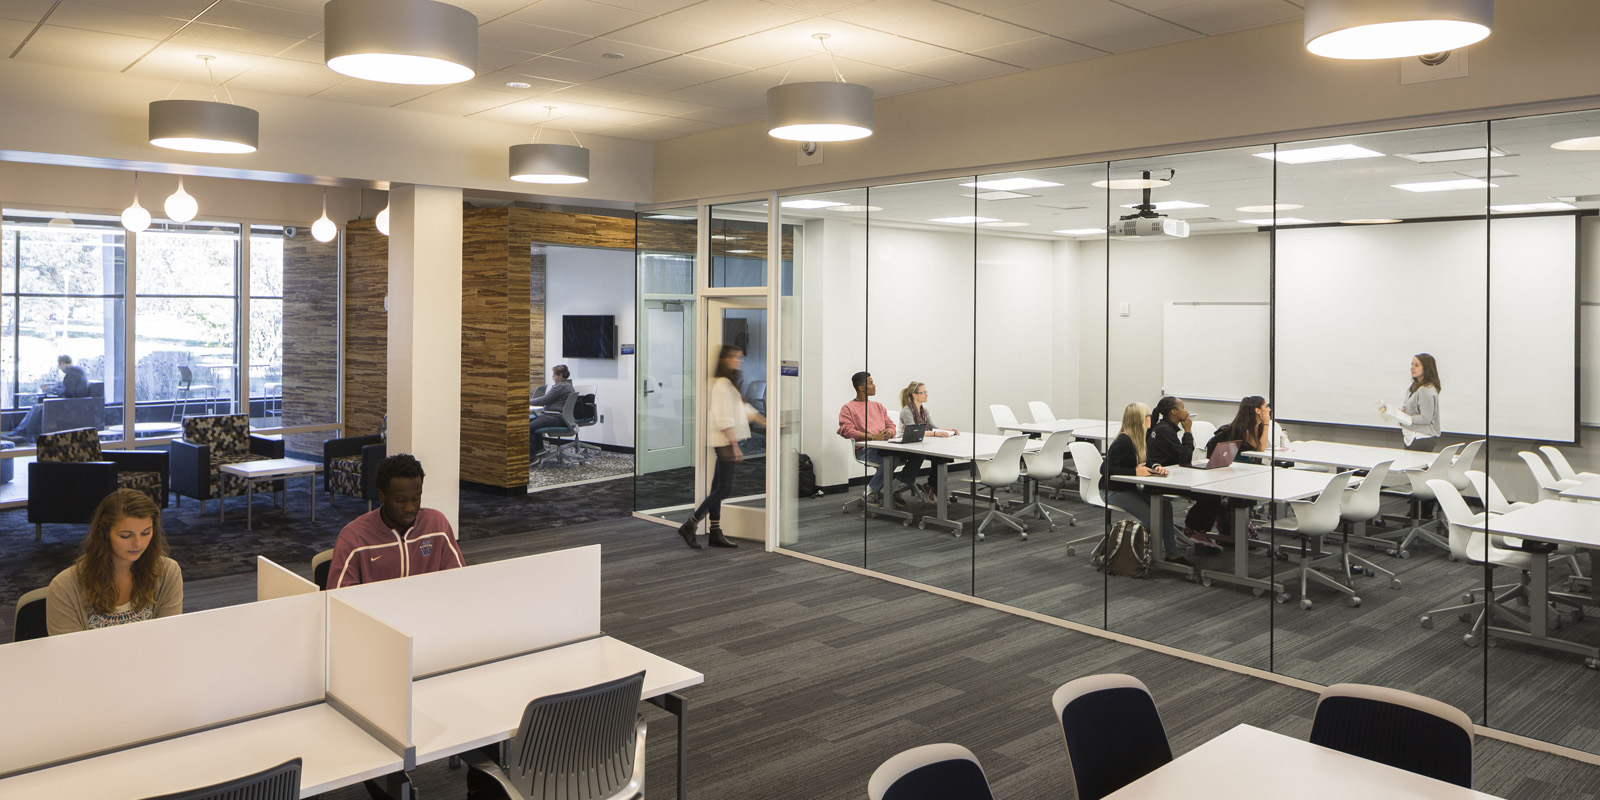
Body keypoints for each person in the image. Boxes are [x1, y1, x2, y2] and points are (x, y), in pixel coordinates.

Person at [46, 488, 183, 635]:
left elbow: (168, 637)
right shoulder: (65, 587)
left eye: (146, 533)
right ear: (105, 533)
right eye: (125, 536)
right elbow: (69, 654)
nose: (138, 543)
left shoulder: (168, 572)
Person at [327, 453, 465, 588]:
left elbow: (459, 581)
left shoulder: (437, 525)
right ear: (382, 495)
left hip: (428, 608)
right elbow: (338, 597)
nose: (409, 508)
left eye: (416, 499)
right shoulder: (354, 538)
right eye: (400, 500)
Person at [676, 346, 766, 549]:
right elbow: (724, 418)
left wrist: (767, 422)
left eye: (741, 357)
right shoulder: (721, 385)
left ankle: (715, 532)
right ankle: (690, 525)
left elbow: (744, 409)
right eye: (736, 357)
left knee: (718, 488)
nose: (740, 361)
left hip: (724, 441)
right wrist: (735, 446)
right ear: (725, 359)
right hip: (724, 441)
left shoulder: (728, 384)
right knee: (724, 489)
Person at [1100, 402, 1188, 567]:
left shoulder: (1139, 437)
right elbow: (1105, 469)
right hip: (1112, 490)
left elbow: (1146, 460)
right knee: (1152, 517)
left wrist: (1155, 467)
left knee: (1165, 506)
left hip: (1127, 488)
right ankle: (1131, 546)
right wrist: (1134, 472)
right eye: (1147, 416)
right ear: (1138, 419)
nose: (1151, 419)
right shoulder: (1123, 441)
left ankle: (1171, 554)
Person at [1146, 396, 1222, 554]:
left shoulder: (1165, 428)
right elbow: (1185, 457)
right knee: (1210, 493)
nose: (1186, 411)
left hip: (1174, 474)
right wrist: (1188, 431)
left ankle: (1194, 529)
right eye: (1183, 407)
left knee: (1212, 490)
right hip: (1163, 480)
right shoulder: (1164, 431)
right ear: (1174, 411)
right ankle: (1193, 530)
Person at [837, 371, 911, 509]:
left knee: (916, 456)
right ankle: (870, 492)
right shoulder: (848, 408)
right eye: (871, 383)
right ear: (861, 388)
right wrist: (872, 437)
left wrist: (889, 432)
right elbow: (846, 431)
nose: (874, 385)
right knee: (892, 459)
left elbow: (891, 425)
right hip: (866, 450)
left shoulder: (878, 406)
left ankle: (892, 489)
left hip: (887, 446)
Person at [6, 354, 90, 443]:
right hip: (75, 403)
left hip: (71, 405)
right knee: (37, 408)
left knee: (37, 408)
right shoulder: (77, 371)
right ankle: (23, 432)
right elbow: (68, 388)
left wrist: (51, 389)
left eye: (60, 366)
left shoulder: (71, 373)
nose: (60, 369)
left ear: (62, 363)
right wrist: (56, 387)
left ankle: (21, 432)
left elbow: (67, 392)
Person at [898, 381, 957, 504]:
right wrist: (936, 433)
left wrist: (949, 430)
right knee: (933, 456)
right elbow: (914, 431)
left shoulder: (924, 411)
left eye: (926, 392)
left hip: (921, 444)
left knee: (942, 456)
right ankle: (900, 486)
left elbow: (932, 426)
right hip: (907, 446)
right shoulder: (906, 411)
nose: (926, 394)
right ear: (914, 395)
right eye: (923, 392)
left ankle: (932, 485)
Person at [1381, 353, 1441, 451]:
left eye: (1416, 365)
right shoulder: (1414, 387)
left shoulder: (1426, 390)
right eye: (1412, 365)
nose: (1412, 368)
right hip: (1411, 436)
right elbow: (1409, 409)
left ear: (1426, 368)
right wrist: (1392, 412)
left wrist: (1404, 417)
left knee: (1414, 466)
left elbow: (1426, 418)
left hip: (1421, 437)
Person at [529, 364, 575, 458]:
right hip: (561, 417)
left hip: (556, 417)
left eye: (554, 375)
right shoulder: (568, 385)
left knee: (529, 427)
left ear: (560, 375)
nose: (552, 377)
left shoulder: (560, 387)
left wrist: (527, 401)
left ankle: (531, 457)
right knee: (532, 423)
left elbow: (544, 400)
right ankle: (539, 450)